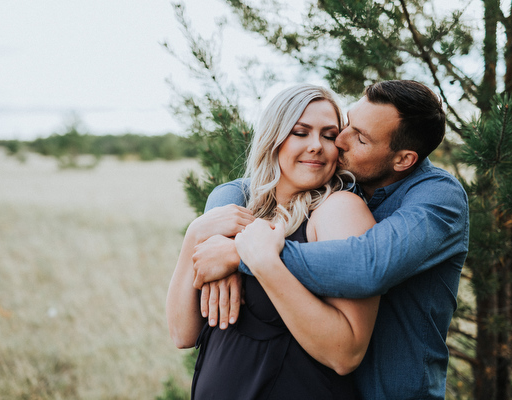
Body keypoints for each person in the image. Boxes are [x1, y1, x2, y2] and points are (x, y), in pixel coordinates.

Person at [192, 80, 470, 399]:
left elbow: (369, 265)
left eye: (360, 137)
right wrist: (216, 224)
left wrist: (242, 255)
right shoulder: (348, 180)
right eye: (348, 123)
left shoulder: (437, 199)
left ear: (403, 160)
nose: (340, 139)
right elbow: (249, 185)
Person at [166, 84, 380, 399]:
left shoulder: (338, 210)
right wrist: (195, 234)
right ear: (274, 139)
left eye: (329, 135)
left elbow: (345, 353)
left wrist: (260, 262)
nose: (316, 146)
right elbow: (183, 334)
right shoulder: (241, 211)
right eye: (300, 132)